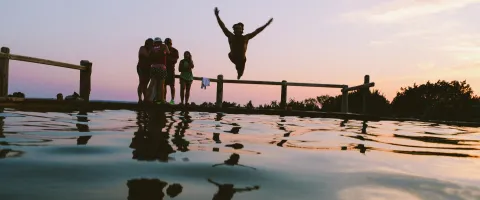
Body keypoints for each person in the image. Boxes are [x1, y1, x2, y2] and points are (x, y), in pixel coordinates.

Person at [214, 7, 273, 80]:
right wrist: (217, 16)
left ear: (242, 31)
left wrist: (266, 24)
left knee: (240, 71)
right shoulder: (231, 36)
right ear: (234, 31)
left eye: (239, 29)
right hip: (233, 57)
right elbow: (223, 27)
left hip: (242, 60)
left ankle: (239, 73)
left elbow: (257, 31)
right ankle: (239, 71)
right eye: (236, 29)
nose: (237, 31)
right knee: (234, 61)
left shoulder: (245, 38)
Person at [146, 37, 170, 104]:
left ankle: (146, 99)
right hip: (161, 67)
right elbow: (168, 53)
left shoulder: (152, 47)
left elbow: (149, 56)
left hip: (153, 67)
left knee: (151, 84)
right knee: (161, 84)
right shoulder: (164, 46)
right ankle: (161, 101)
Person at [137, 38, 153, 104]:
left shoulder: (151, 50)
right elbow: (147, 55)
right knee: (141, 82)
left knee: (146, 84)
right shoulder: (142, 48)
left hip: (148, 68)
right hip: (141, 67)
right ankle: (140, 99)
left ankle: (145, 99)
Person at [164, 38, 179, 105]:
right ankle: (163, 99)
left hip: (171, 70)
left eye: (167, 43)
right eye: (165, 43)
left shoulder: (175, 50)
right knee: (163, 85)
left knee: (172, 86)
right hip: (163, 70)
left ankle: (172, 100)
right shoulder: (163, 50)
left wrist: (167, 58)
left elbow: (175, 60)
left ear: (170, 44)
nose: (166, 45)